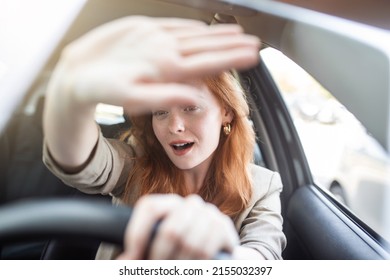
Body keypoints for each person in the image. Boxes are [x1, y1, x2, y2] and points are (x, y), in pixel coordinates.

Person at [42, 16, 286, 260]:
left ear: (226, 112)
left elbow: (264, 254)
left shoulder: (263, 186)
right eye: (160, 112)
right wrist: (69, 102)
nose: (174, 126)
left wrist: (222, 254)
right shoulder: (137, 163)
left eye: (190, 107)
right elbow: (81, 162)